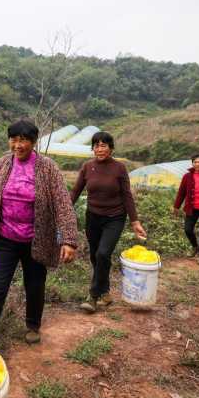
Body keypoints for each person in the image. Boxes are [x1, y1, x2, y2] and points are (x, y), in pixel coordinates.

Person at [0, 119, 78, 347]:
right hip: (4, 238)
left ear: (33, 142)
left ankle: (32, 325)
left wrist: (69, 239)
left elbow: (62, 203)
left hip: (36, 240)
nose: (17, 145)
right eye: (13, 139)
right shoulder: (3, 164)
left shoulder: (47, 168)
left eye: (23, 140)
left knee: (35, 285)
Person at [70, 131, 147, 313]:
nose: (100, 149)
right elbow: (75, 192)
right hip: (93, 217)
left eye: (104, 145)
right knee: (95, 256)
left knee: (103, 254)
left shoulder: (119, 168)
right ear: (93, 148)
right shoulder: (88, 167)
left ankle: (93, 296)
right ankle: (105, 292)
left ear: (111, 148)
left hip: (115, 218)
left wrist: (135, 221)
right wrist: (62, 210)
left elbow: (127, 195)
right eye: (96, 145)